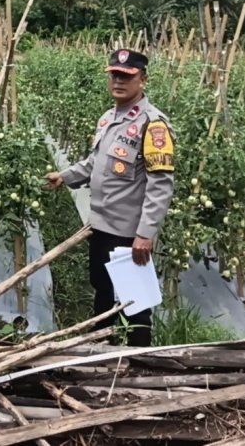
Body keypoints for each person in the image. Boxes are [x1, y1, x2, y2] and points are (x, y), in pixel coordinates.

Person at [45, 48, 175, 347]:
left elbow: (161, 184)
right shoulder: (108, 119)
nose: (118, 81)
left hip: (129, 234)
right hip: (100, 226)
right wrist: (64, 176)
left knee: (135, 303)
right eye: (114, 75)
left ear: (142, 80)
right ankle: (101, 350)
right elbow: (94, 164)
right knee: (102, 291)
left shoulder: (152, 125)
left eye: (126, 76)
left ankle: (140, 361)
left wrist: (145, 234)